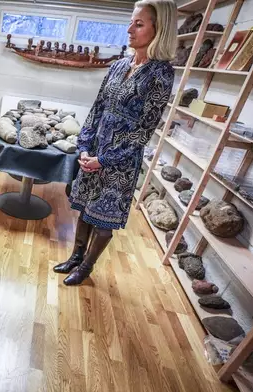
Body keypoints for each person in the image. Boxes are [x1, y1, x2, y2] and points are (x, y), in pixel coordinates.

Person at [53, 0, 177, 286]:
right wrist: (84, 147)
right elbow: (97, 107)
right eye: (132, 22)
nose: (129, 29)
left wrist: (105, 160)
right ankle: (75, 257)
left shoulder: (161, 74)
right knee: (84, 208)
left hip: (119, 161)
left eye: (139, 23)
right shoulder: (120, 64)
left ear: (159, 29)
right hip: (94, 151)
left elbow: (145, 129)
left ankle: (86, 268)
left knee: (103, 219)